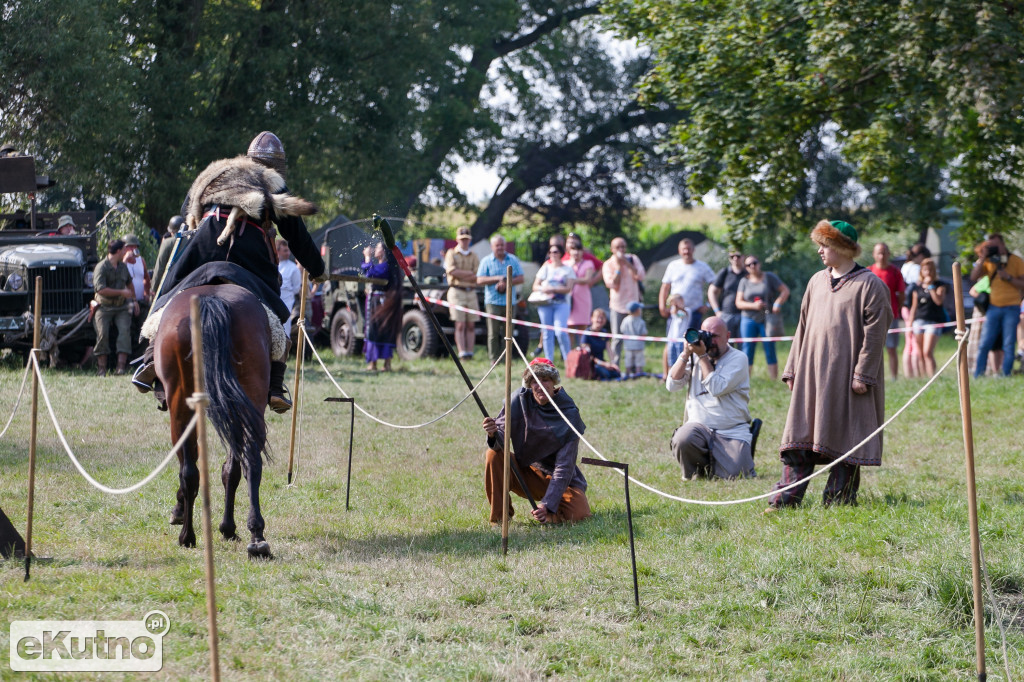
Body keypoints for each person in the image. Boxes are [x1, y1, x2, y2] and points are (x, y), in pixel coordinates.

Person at [134, 131, 326, 413]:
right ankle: (274, 383)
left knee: (170, 293)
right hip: (247, 245)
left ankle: (151, 358)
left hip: (205, 240)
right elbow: (297, 237)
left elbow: (187, 207)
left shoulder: (220, 172)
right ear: (277, 166)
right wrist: (318, 269)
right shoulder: (271, 182)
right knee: (272, 308)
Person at [767, 220, 892, 510]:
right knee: (799, 438)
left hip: (848, 377)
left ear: (841, 247)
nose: (820, 252)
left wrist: (863, 374)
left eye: (825, 245)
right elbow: (802, 327)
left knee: (845, 438)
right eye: (819, 245)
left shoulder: (871, 285)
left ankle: (838, 501)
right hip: (811, 375)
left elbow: (875, 335)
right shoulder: (816, 281)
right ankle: (784, 500)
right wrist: (792, 368)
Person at [482, 358, 591, 524]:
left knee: (579, 515)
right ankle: (500, 519)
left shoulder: (569, 414)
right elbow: (500, 440)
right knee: (493, 454)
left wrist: (547, 504)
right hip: (527, 472)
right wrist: (493, 433)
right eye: (534, 381)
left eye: (545, 380)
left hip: (560, 479)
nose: (540, 386)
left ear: (553, 382)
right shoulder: (517, 401)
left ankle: (549, 516)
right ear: (529, 384)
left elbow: (564, 466)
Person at [666, 316, 756, 480]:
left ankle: (719, 464)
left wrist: (702, 357)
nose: (710, 340)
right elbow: (672, 385)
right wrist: (685, 354)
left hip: (731, 431)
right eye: (706, 335)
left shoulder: (738, 358)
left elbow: (716, 388)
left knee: (736, 475)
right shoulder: (694, 355)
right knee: (683, 438)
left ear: (728, 336)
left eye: (715, 336)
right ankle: (696, 472)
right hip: (699, 428)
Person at [971, 233, 1024, 377]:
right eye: (990, 245)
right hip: (993, 307)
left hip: (1012, 307)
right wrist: (983, 257)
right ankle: (978, 375)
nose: (993, 248)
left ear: (1002, 244)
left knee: (1008, 344)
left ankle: (1006, 374)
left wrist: (1008, 278)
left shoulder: (1016, 261)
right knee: (984, 343)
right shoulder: (988, 261)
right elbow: (973, 277)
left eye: (995, 245)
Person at [734, 256, 790, 380]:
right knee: (747, 349)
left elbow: (785, 291)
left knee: (769, 347)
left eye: (754, 263)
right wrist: (753, 306)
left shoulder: (769, 277)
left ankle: (773, 380)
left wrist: (777, 303)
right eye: (749, 265)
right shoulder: (744, 281)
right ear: (746, 267)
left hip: (767, 318)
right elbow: (738, 303)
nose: (752, 266)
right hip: (748, 318)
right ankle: (746, 379)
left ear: (759, 263)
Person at [476, 235, 525, 363]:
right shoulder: (486, 261)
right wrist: (497, 279)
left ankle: (506, 358)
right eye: (497, 245)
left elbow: (521, 278)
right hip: (493, 302)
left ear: (505, 246)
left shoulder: (513, 259)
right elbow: (479, 280)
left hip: (510, 302)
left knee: (508, 332)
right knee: (493, 333)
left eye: (501, 245)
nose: (500, 248)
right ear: (492, 247)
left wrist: (507, 282)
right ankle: (494, 359)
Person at [91, 239, 135, 376]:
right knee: (102, 334)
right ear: (118, 251)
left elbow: (129, 283)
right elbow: (101, 290)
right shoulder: (101, 267)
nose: (125, 252)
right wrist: (122, 292)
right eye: (123, 250)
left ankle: (121, 367)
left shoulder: (122, 267)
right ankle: (102, 368)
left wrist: (134, 300)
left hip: (121, 307)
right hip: (104, 307)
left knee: (124, 332)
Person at [601, 237, 646, 366]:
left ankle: (635, 365)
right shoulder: (608, 264)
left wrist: (628, 264)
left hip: (634, 304)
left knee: (636, 336)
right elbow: (611, 284)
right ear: (612, 249)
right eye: (618, 247)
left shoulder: (633, 259)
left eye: (623, 247)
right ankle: (616, 365)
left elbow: (641, 276)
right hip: (618, 305)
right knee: (617, 337)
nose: (621, 250)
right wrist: (619, 268)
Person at [659, 238, 716, 332]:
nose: (686, 251)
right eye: (683, 249)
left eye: (689, 249)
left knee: (693, 344)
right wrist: (662, 307)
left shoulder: (702, 267)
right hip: (675, 312)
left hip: (694, 313)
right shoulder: (673, 266)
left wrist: (708, 305)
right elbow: (665, 287)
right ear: (679, 250)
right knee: (673, 342)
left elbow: (715, 285)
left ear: (693, 250)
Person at [361, 242, 402, 372]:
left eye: (378, 247)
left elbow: (370, 273)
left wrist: (367, 257)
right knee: (376, 330)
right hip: (377, 301)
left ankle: (382, 364)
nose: (374, 249)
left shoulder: (386, 266)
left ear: (384, 251)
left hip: (380, 303)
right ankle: (376, 363)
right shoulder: (383, 266)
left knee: (377, 330)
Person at [532, 242, 576, 363]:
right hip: (545, 303)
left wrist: (553, 289)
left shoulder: (567, 269)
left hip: (561, 303)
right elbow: (535, 285)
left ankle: (568, 360)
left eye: (555, 252)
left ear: (561, 253)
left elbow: (568, 288)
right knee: (547, 333)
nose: (552, 254)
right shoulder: (546, 267)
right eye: (550, 252)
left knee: (560, 331)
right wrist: (543, 289)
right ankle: (548, 361)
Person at [868, 242, 905, 380]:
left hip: (891, 316)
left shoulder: (895, 272)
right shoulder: (868, 271)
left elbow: (901, 293)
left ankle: (894, 377)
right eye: (879, 253)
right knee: (872, 349)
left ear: (888, 254)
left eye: (884, 252)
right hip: (871, 317)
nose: (882, 256)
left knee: (891, 348)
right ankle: (873, 376)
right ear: (874, 254)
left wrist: (896, 308)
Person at [443, 226, 480, 359]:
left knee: (471, 324)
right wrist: (468, 274)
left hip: (470, 291)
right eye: (462, 239)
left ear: (469, 240)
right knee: (460, 324)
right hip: (456, 291)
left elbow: (476, 274)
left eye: (466, 239)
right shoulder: (451, 253)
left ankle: (470, 352)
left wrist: (461, 274)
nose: (464, 241)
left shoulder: (474, 255)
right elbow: (451, 271)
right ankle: (462, 352)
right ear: (458, 239)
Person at [908, 258, 947, 377]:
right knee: (920, 353)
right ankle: (922, 378)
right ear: (922, 271)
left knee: (927, 352)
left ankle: (932, 377)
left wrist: (930, 287)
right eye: (925, 270)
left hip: (934, 322)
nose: (928, 272)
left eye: (930, 269)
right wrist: (910, 324)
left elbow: (939, 301)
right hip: (918, 321)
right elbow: (914, 307)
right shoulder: (917, 288)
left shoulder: (940, 285)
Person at [900, 243, 930, 378]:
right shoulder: (917, 268)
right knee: (915, 343)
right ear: (922, 256)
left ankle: (909, 375)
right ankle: (917, 374)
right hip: (913, 307)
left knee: (909, 343)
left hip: (904, 307)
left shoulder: (905, 266)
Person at [565, 235, 602, 343]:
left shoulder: (588, 263)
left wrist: (573, 280)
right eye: (573, 250)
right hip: (569, 299)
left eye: (578, 250)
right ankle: (570, 354)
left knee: (582, 326)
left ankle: (582, 352)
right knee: (569, 326)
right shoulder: (566, 264)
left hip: (583, 298)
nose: (576, 253)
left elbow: (587, 279)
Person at [122, 234, 151, 355]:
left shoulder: (141, 260)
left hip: (140, 300)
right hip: (127, 301)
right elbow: (119, 276)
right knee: (129, 328)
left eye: (134, 247)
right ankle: (128, 357)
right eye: (129, 247)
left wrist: (147, 293)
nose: (132, 250)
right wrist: (125, 260)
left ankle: (141, 355)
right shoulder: (121, 262)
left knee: (144, 327)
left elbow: (146, 278)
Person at [708, 251, 747, 337]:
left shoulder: (748, 273)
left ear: (743, 257)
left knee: (744, 346)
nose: (735, 258)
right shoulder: (725, 272)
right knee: (727, 345)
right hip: (727, 314)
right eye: (732, 256)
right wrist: (717, 311)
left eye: (738, 256)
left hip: (745, 315)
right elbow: (712, 291)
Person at [579, 308, 621, 380]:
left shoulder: (604, 332)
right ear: (592, 318)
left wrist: (613, 364)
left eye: (602, 317)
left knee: (616, 373)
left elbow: (609, 350)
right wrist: (604, 364)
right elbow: (588, 356)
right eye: (598, 317)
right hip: (592, 364)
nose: (600, 320)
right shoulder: (587, 334)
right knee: (606, 374)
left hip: (602, 362)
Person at [152, 215, 184, 299]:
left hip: (170, 285)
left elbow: (160, 267)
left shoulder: (167, 243)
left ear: (171, 231)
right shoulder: (192, 241)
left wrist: (154, 289)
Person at [277, 239, 302, 337]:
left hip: (287, 302)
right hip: (272, 299)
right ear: (278, 251)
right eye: (285, 250)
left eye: (288, 250)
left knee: (285, 327)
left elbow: (296, 288)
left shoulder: (293, 269)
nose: (288, 253)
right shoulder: (272, 266)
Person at [619, 301, 647, 376]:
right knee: (638, 360)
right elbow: (643, 333)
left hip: (628, 345)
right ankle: (638, 373)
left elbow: (622, 330)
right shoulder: (641, 321)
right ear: (637, 311)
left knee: (628, 360)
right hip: (638, 345)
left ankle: (627, 373)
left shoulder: (625, 320)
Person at [665, 293, 688, 368]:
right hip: (672, 339)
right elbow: (674, 312)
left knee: (681, 361)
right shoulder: (674, 311)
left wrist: (678, 307)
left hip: (681, 340)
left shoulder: (687, 311)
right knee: (671, 361)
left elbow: (682, 314)